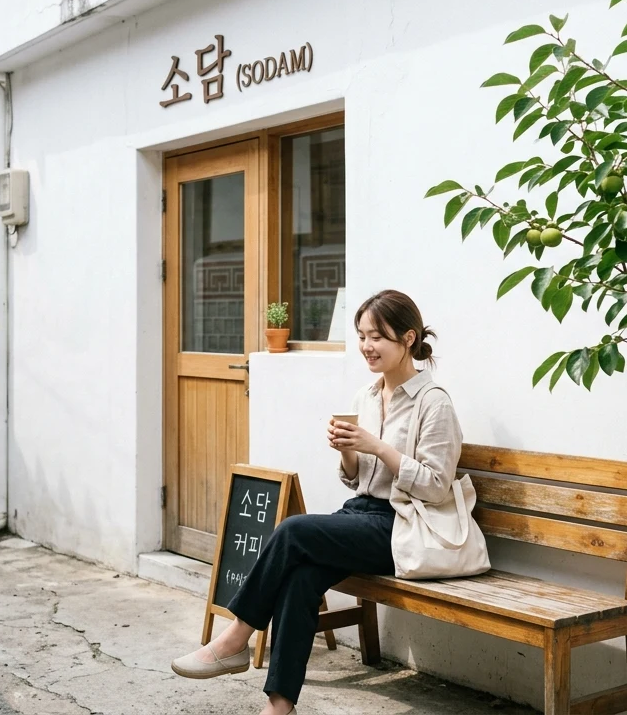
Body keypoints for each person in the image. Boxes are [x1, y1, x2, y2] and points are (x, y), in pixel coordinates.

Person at [170, 289, 464, 715]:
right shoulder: (368, 395)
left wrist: (378, 447)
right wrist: (348, 453)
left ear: (408, 338)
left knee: (292, 529)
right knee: (301, 578)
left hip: (402, 526)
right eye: (361, 335)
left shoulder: (433, 403)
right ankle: (280, 707)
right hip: (361, 517)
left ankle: (236, 638)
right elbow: (357, 481)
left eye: (377, 336)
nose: (367, 346)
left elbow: (437, 487)